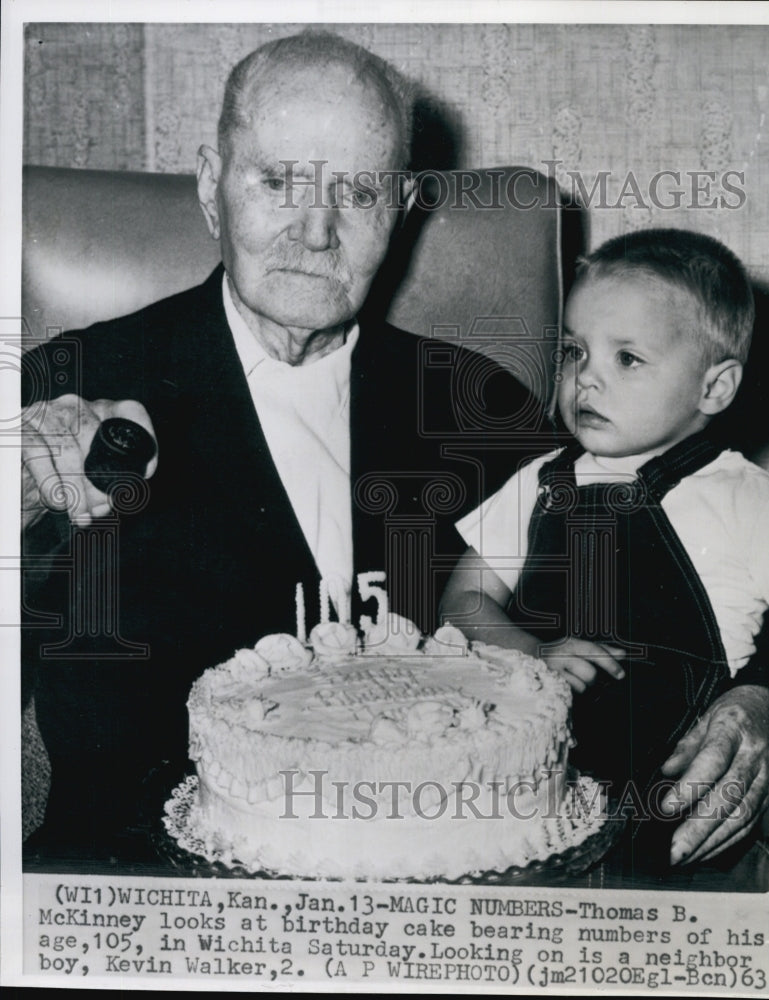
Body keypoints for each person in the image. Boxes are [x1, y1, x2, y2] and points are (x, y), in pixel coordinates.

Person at [20, 32, 548, 862]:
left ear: (402, 208)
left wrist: (763, 695)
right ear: (211, 190)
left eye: (359, 194)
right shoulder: (74, 380)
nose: (316, 232)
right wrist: (23, 483)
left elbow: (646, 574)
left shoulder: (480, 406)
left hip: (431, 878)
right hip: (139, 888)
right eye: (279, 183)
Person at [441, 228, 769, 865]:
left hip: (677, 818)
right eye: (575, 351)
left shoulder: (745, 498)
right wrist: (532, 650)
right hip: (536, 804)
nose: (586, 379)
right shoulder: (540, 482)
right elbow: (462, 601)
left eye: (627, 358)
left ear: (716, 387)